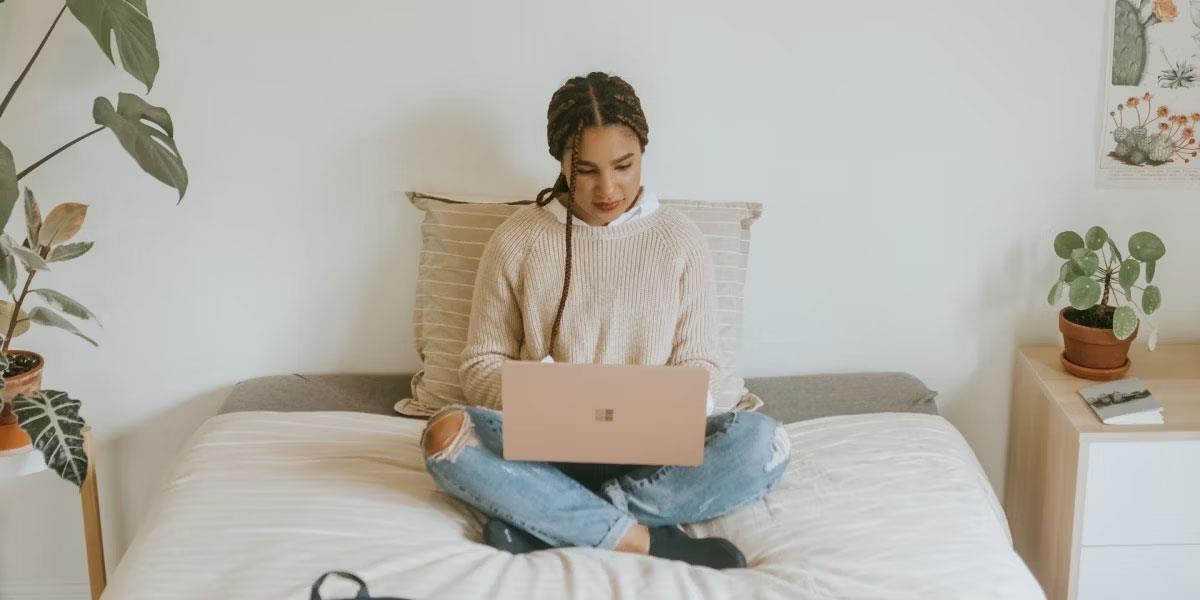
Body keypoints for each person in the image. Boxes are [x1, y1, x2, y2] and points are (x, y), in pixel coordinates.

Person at [419, 72, 790, 570]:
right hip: (544, 449)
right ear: (560, 162)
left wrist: (671, 406)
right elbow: (480, 363)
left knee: (764, 443)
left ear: (643, 153)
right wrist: (544, 391)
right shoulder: (517, 239)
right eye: (586, 169)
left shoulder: (681, 240)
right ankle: (647, 539)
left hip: (657, 456)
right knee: (445, 436)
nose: (608, 188)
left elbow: (702, 362)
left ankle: (554, 521)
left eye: (624, 165)